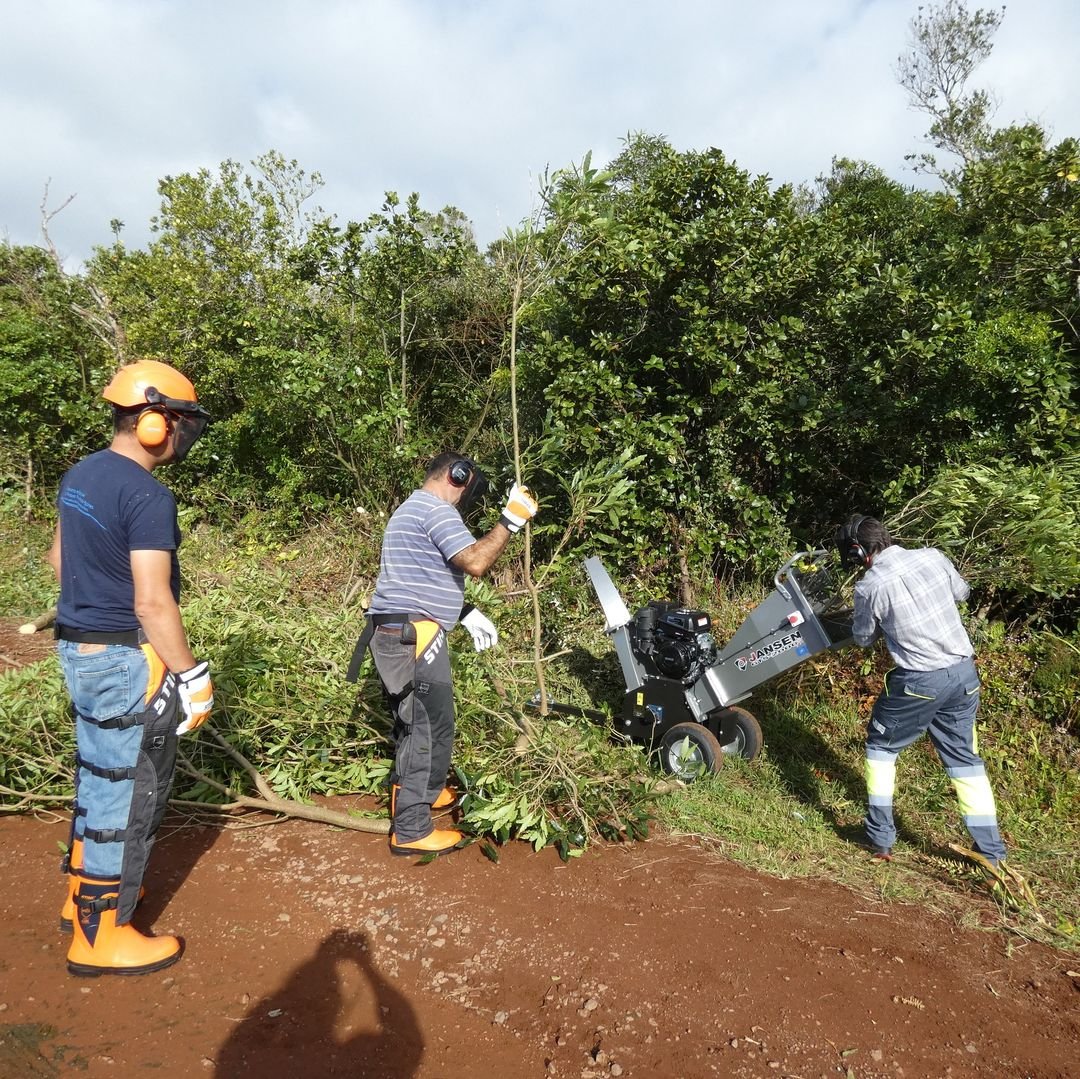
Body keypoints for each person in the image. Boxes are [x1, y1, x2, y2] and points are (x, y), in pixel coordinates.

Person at [48, 358, 213, 977]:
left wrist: (88, 606)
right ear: (153, 422)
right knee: (127, 787)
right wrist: (191, 674)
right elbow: (152, 600)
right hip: (122, 656)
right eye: (180, 422)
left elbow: (58, 560)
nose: (181, 436)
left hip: (79, 647)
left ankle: (83, 897)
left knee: (95, 777)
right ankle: (102, 938)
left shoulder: (82, 474)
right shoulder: (146, 493)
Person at [350, 452, 538, 857]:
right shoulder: (436, 509)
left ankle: (424, 792)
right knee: (427, 729)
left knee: (416, 722)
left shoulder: (410, 509)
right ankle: (411, 829)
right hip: (416, 634)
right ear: (458, 477)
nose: (464, 503)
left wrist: (465, 611)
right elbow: (475, 561)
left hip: (401, 629)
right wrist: (511, 521)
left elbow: (416, 576)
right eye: (468, 491)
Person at [837, 514, 1007, 866]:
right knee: (965, 761)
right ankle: (991, 853)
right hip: (963, 675)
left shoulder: (870, 586)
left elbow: (863, 638)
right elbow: (962, 593)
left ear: (858, 552)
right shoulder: (933, 556)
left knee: (881, 748)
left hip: (919, 682)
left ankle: (880, 839)